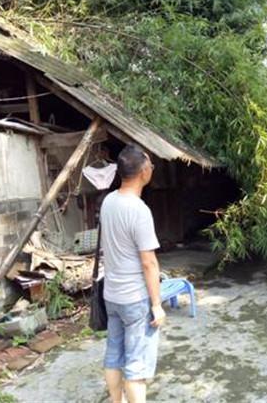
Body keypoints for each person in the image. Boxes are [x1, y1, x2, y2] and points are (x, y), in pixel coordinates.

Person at [100, 145, 166, 403]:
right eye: (150, 165)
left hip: (112, 295)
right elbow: (149, 263)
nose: (152, 169)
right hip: (135, 300)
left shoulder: (108, 201)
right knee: (137, 365)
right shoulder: (139, 210)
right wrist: (157, 304)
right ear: (143, 172)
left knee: (114, 354)